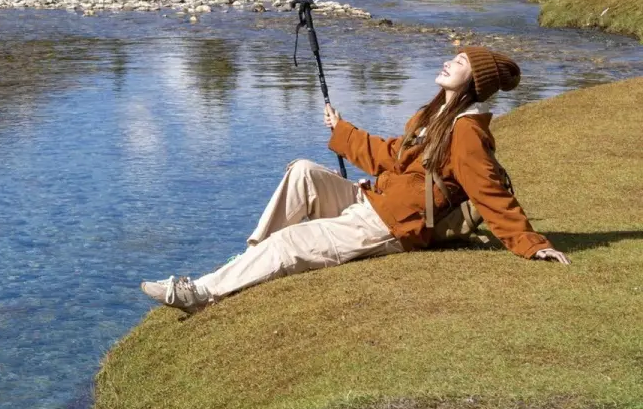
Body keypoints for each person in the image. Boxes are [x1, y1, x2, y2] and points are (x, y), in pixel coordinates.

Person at [141, 45, 570, 312]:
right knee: (303, 172)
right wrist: (343, 131)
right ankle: (250, 257)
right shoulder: (431, 114)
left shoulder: (467, 131)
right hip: (370, 200)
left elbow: (490, 192)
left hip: (391, 225)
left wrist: (532, 245)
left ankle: (199, 294)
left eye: (458, 62)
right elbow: (390, 157)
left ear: (475, 80)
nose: (446, 61)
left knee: (290, 242)